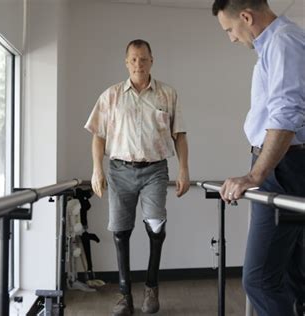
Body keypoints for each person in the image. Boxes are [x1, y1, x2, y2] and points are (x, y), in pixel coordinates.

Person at [212, 1, 305, 315]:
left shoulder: (283, 42)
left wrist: (256, 175)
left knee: (260, 280)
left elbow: (287, 114)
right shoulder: (275, 46)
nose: (232, 38)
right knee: (291, 277)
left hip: (282, 166)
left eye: (229, 30)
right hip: (282, 163)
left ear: (246, 17)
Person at [85, 39, 190, 315]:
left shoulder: (167, 94)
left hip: (155, 169)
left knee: (156, 227)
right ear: (126, 62)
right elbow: (98, 136)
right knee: (120, 232)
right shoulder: (111, 96)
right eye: (133, 59)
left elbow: (179, 135)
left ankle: (151, 288)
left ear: (152, 60)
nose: (138, 64)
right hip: (119, 170)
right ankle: (124, 295)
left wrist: (184, 170)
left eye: (143, 59)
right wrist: (97, 169)